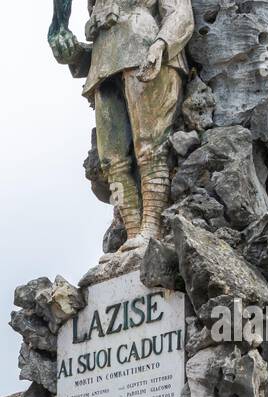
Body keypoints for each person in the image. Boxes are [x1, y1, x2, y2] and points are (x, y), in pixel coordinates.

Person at [48, 0, 194, 247]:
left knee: (149, 149)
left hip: (146, 53)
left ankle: (151, 229)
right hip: (103, 69)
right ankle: (132, 234)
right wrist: (70, 52)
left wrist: (161, 44)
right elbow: (97, 47)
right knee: (112, 162)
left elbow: (180, 12)